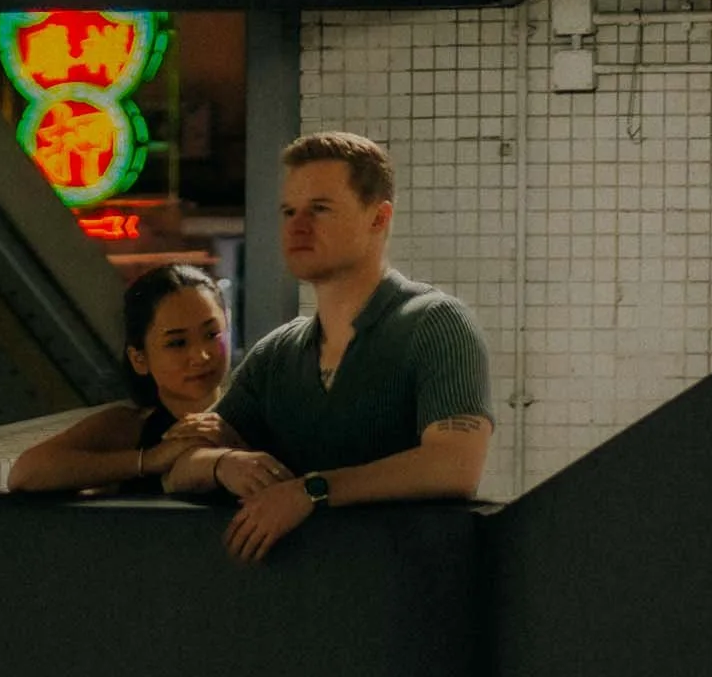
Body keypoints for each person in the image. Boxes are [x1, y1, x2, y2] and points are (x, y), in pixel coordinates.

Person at [168, 130, 493, 566]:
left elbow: (454, 467)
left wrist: (313, 490)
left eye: (320, 209)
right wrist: (223, 463)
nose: (297, 226)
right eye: (288, 211)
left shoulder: (434, 323)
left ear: (378, 218)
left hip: (403, 597)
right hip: (301, 605)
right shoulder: (278, 353)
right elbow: (178, 466)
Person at [7, 261, 234, 497]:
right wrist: (149, 460)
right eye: (177, 343)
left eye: (211, 334)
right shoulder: (128, 428)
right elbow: (25, 474)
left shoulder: (255, 406)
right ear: (139, 359)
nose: (201, 356)